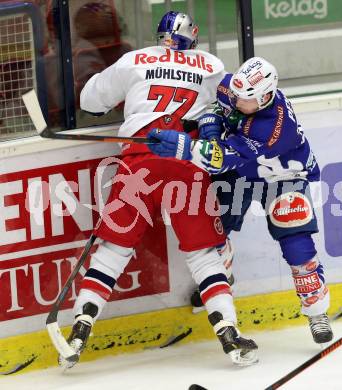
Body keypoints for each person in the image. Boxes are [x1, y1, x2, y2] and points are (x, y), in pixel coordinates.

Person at [59, 11, 258, 369]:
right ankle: (228, 332)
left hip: (139, 161)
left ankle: (80, 326)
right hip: (186, 162)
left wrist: (132, 94)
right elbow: (226, 106)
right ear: (192, 37)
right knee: (203, 255)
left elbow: (89, 101)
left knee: (114, 249)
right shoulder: (211, 64)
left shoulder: (135, 59)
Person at [147, 56, 334, 345]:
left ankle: (317, 311)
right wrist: (209, 123)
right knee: (213, 226)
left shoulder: (273, 129)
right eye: (234, 94)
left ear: (266, 97)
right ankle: (223, 274)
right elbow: (215, 108)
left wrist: (184, 146)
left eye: (243, 99)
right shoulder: (235, 90)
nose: (234, 100)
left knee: (296, 241)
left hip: (282, 177)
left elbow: (221, 158)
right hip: (240, 172)